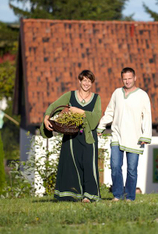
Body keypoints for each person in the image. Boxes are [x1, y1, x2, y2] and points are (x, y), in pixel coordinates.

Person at [40, 70, 102, 203]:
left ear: (92, 83)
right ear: (79, 81)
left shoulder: (97, 98)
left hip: (88, 137)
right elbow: (54, 106)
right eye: (84, 80)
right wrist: (46, 119)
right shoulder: (70, 95)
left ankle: (89, 195)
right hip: (71, 136)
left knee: (89, 165)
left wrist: (79, 111)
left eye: (89, 81)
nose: (86, 83)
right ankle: (73, 194)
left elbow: (96, 117)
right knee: (72, 165)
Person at [97, 67, 152, 201]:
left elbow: (147, 116)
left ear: (135, 78)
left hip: (135, 138)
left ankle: (130, 197)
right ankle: (117, 195)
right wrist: (101, 126)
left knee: (132, 170)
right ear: (122, 79)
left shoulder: (142, 95)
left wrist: (146, 135)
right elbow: (110, 111)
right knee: (115, 167)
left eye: (129, 78)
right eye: (125, 79)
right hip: (117, 135)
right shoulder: (117, 93)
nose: (127, 81)